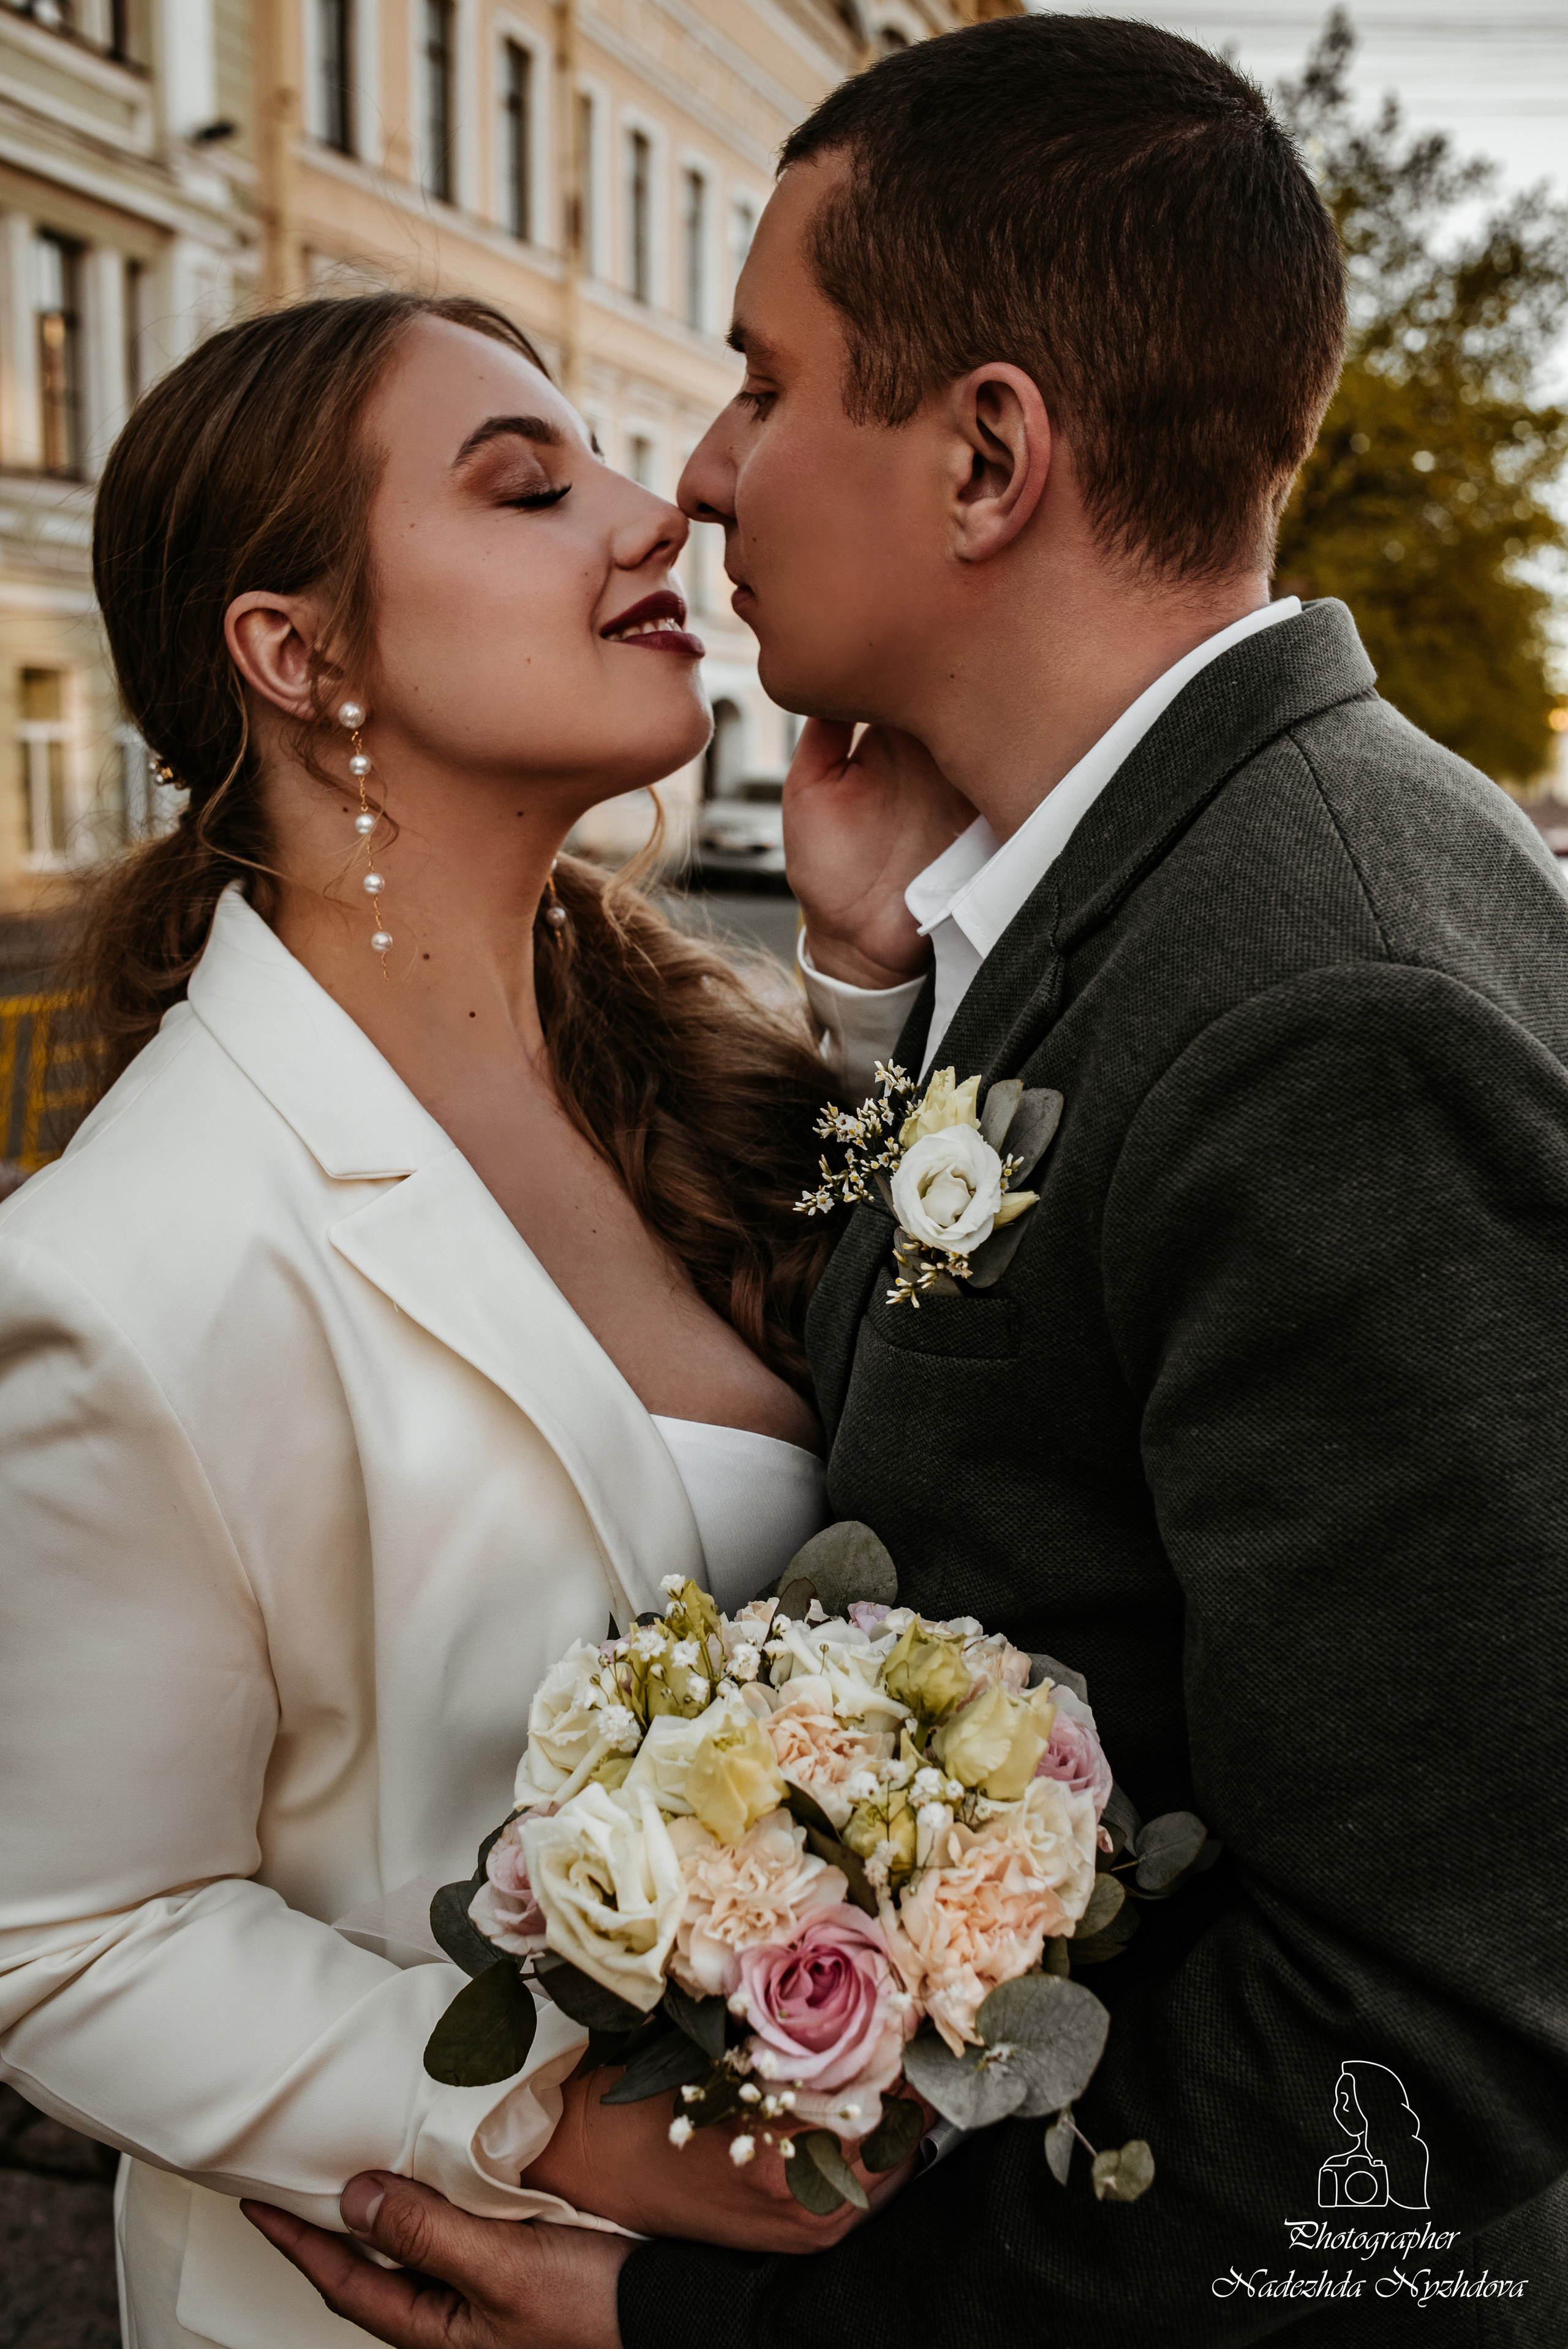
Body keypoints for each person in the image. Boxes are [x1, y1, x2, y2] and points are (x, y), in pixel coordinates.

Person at [257, 17, 1568, 2347]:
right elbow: (1016, 1408)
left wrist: (727, 2332)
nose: (707, 469)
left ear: (986, 458)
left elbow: (1448, 2016)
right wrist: (896, 991)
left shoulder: (1323, 992)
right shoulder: (1162, 886)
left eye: (766, 381)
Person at [0, 290, 914, 2349]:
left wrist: (872, 980)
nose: (652, 512)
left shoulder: (692, 1060)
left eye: (602, 460)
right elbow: (63, 1937)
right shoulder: (124, 1262)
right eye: (529, 486)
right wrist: (560, 2124)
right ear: (296, 653)